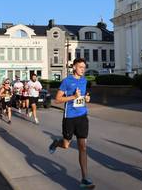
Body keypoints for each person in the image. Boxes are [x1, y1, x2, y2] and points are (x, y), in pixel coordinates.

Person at [48, 58, 94, 189]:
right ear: (74, 67)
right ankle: (57, 143)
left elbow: (83, 96)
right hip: (69, 117)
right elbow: (57, 100)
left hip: (82, 116)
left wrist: (86, 98)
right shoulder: (67, 81)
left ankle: (85, 178)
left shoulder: (84, 81)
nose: (82, 69)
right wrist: (73, 97)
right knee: (66, 145)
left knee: (83, 147)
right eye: (80, 67)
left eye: (84, 67)